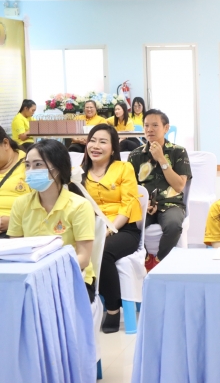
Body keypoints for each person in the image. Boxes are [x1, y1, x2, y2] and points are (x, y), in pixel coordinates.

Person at [7, 140, 96, 303]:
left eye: (38, 165)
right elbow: (16, 250)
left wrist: (45, 272)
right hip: (31, 279)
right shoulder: (20, 204)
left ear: (58, 168)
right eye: (27, 165)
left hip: (73, 277)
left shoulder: (79, 206)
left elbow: (83, 258)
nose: (30, 171)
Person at [82, 124, 142, 333]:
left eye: (102, 142)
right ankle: (86, 303)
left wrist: (110, 228)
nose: (96, 146)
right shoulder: (79, 173)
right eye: (92, 140)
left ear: (113, 147)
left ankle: (113, 309)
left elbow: (128, 204)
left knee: (104, 251)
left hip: (123, 229)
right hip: (90, 228)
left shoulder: (124, 168)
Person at [128, 109, 192, 271]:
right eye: (146, 125)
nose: (149, 129)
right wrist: (144, 203)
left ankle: (158, 261)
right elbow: (131, 188)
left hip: (171, 203)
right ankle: (145, 257)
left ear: (166, 128)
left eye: (155, 125)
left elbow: (179, 185)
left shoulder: (178, 151)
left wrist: (162, 159)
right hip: (144, 204)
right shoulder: (135, 155)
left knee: (173, 225)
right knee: (129, 225)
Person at [0, 126, 30, 238]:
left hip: (15, 234)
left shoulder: (31, 166)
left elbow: (47, 211)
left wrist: (14, 222)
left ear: (5, 143)